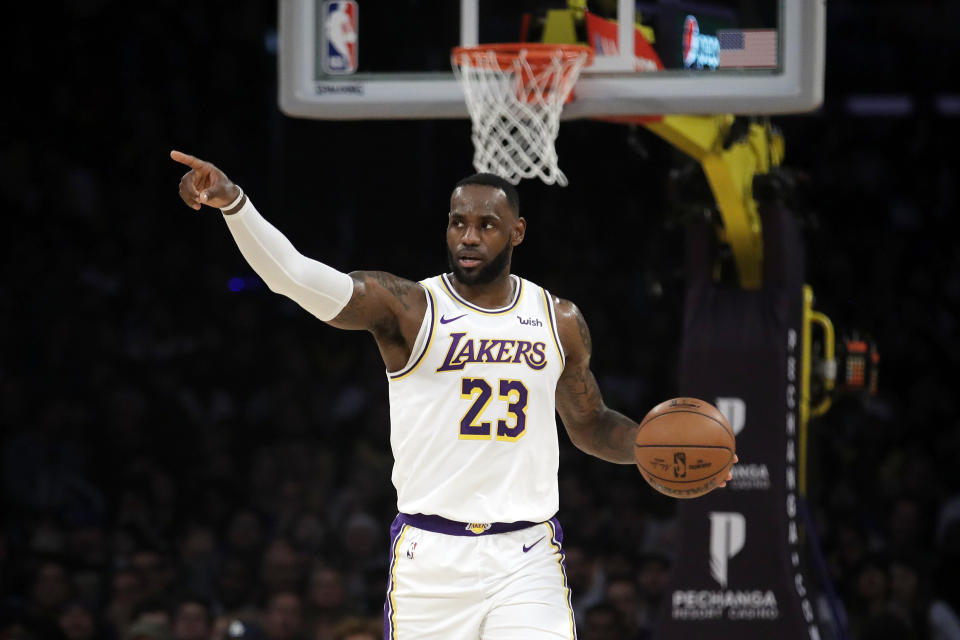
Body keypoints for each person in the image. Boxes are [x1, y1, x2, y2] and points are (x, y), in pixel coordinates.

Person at [170, 150, 735, 638]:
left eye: (486, 224)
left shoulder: (558, 319)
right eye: (457, 222)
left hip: (527, 555)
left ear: (516, 233)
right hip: (430, 555)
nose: (468, 236)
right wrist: (235, 205)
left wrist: (653, 448)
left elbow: (590, 425)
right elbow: (292, 276)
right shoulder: (408, 308)